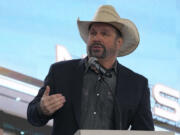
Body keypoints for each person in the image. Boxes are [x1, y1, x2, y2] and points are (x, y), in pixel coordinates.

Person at [27, 5, 154, 135]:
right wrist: (41, 109)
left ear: (119, 42)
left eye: (104, 33)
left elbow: (145, 132)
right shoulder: (60, 72)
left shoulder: (137, 85)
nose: (97, 38)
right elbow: (33, 116)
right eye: (93, 33)